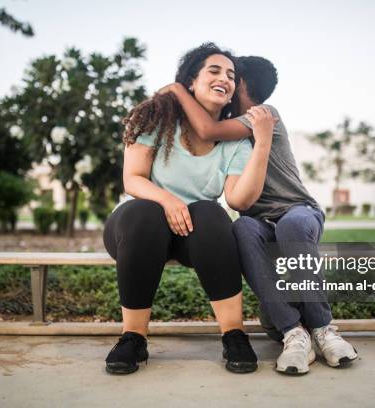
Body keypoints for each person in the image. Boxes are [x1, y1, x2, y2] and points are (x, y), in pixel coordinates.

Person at [159, 56, 358, 375]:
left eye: (233, 76)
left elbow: (206, 129)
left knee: (291, 226)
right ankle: (293, 331)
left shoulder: (262, 116)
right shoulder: (234, 124)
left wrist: (177, 90)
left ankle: (323, 328)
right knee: (241, 230)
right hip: (259, 222)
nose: (226, 80)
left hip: (298, 211)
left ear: (243, 85)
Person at [103, 43, 275, 375]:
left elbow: (239, 200)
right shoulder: (155, 118)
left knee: (212, 212)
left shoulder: (235, 142)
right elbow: (133, 179)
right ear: (190, 82)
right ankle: (132, 339)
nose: (224, 77)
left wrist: (262, 143)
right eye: (214, 70)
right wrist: (168, 200)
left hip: (191, 235)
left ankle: (234, 335)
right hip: (137, 230)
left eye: (230, 75)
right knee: (145, 212)